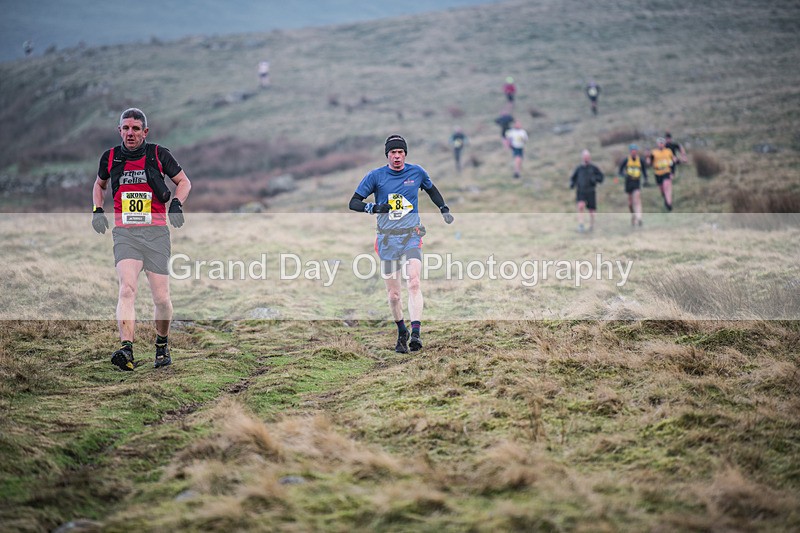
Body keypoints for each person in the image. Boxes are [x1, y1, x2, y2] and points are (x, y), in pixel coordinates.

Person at [91, 108, 191, 371]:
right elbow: (99, 185)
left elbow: (184, 182)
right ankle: (127, 349)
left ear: (145, 132)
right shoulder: (110, 157)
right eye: (125, 128)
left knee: (161, 299)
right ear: (119, 130)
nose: (130, 133)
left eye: (136, 128)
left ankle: (161, 344)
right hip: (126, 235)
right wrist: (97, 210)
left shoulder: (159, 154)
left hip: (156, 234)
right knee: (126, 289)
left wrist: (177, 204)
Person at [348, 135, 454, 353]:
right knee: (394, 295)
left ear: (405, 154)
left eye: (400, 152)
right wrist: (375, 208)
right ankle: (401, 330)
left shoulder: (417, 172)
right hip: (387, 240)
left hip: (411, 236)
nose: (397, 156)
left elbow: (432, 189)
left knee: (414, 282)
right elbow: (354, 203)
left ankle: (416, 333)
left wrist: (443, 208)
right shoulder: (375, 176)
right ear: (387, 155)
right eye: (393, 153)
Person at [569, 149, 604, 232]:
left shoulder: (594, 168)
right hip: (581, 191)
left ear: (590, 157)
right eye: (585, 157)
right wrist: (572, 184)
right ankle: (581, 225)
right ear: (582, 158)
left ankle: (592, 225)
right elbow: (573, 178)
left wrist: (595, 179)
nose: (586, 158)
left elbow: (601, 178)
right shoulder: (579, 169)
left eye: (587, 157)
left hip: (591, 191)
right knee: (580, 206)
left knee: (592, 210)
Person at [618, 144, 647, 227]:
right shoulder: (626, 160)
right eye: (632, 151)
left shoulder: (640, 160)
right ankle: (633, 216)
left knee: (637, 201)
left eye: (635, 151)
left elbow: (644, 171)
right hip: (628, 183)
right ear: (630, 151)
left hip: (637, 182)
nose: (634, 152)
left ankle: (639, 218)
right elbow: (620, 171)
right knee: (630, 203)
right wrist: (624, 175)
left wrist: (645, 179)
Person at [648, 137, 677, 211]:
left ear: (664, 144)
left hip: (667, 171)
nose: (661, 145)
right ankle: (666, 199)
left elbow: (673, 162)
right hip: (658, 172)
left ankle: (669, 205)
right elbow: (650, 162)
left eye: (662, 143)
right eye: (659, 143)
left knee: (666, 186)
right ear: (657, 144)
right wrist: (648, 160)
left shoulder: (668, 151)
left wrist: (673, 172)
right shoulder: (654, 152)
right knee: (662, 189)